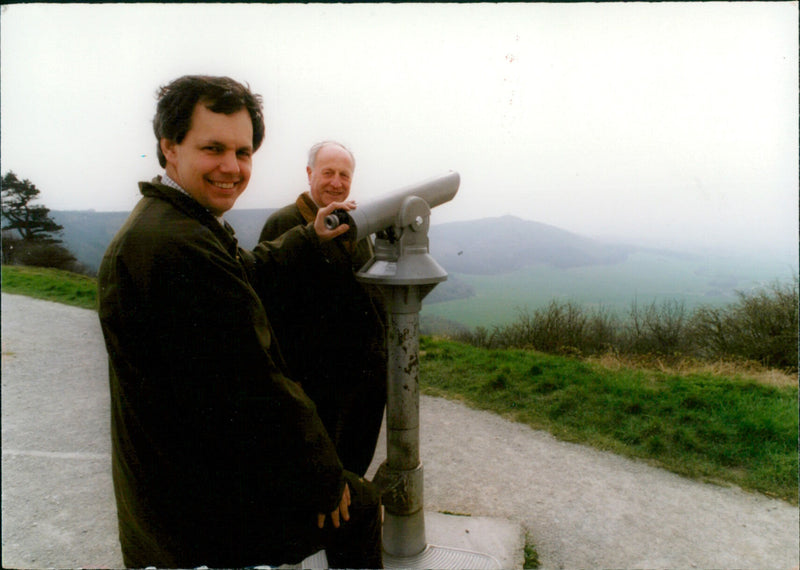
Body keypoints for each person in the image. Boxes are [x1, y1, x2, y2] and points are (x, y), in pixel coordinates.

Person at [97, 75, 382, 569]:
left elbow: (246, 272)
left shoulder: (180, 225)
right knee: (358, 509)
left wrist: (308, 238)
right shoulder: (179, 246)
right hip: (198, 507)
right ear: (169, 148)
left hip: (179, 487)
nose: (231, 167)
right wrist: (325, 475)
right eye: (213, 148)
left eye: (243, 152)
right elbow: (256, 383)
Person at [258, 141, 387, 477]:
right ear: (309, 173)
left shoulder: (356, 224)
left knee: (354, 464)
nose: (336, 181)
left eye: (344, 174)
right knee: (318, 472)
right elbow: (269, 307)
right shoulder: (284, 223)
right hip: (314, 381)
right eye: (328, 172)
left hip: (361, 381)